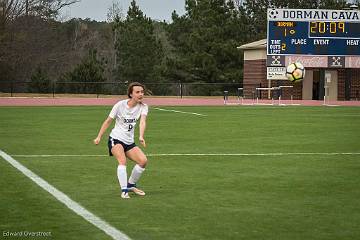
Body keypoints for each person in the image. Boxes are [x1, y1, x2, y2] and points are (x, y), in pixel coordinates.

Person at [93, 82, 148, 199]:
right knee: (122, 161)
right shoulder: (120, 105)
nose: (140, 94)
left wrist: (141, 136)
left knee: (143, 161)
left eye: (142, 92)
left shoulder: (143, 106)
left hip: (129, 142)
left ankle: (130, 185)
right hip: (116, 139)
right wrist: (99, 136)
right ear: (131, 94)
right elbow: (108, 121)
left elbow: (142, 121)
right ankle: (124, 191)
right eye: (137, 92)